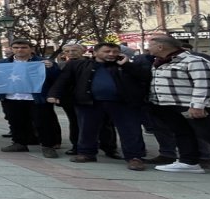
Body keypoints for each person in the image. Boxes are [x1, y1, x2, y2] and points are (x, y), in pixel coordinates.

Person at [146, 36, 210, 181]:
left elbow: (203, 84)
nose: (147, 48)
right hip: (168, 105)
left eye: (150, 45)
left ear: (161, 47)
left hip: (192, 105)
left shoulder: (195, 61)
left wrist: (198, 105)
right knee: (182, 133)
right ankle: (188, 161)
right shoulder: (160, 62)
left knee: (209, 134)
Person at [47, 42, 151, 171]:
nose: (111, 54)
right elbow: (64, 80)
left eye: (114, 52)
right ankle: (86, 153)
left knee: (130, 130)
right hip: (89, 102)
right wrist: (54, 94)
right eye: (107, 51)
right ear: (95, 53)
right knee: (87, 129)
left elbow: (145, 77)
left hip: (123, 104)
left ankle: (135, 157)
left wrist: (127, 65)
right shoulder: (79, 65)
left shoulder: (126, 65)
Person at [0, 39, 62, 158]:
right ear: (11, 49)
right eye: (16, 47)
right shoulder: (3, 63)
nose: (19, 50)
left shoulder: (43, 62)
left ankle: (48, 146)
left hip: (37, 98)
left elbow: (56, 78)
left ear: (31, 49)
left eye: (23, 47)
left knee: (43, 123)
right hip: (11, 98)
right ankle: (19, 143)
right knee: (16, 122)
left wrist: (52, 67)